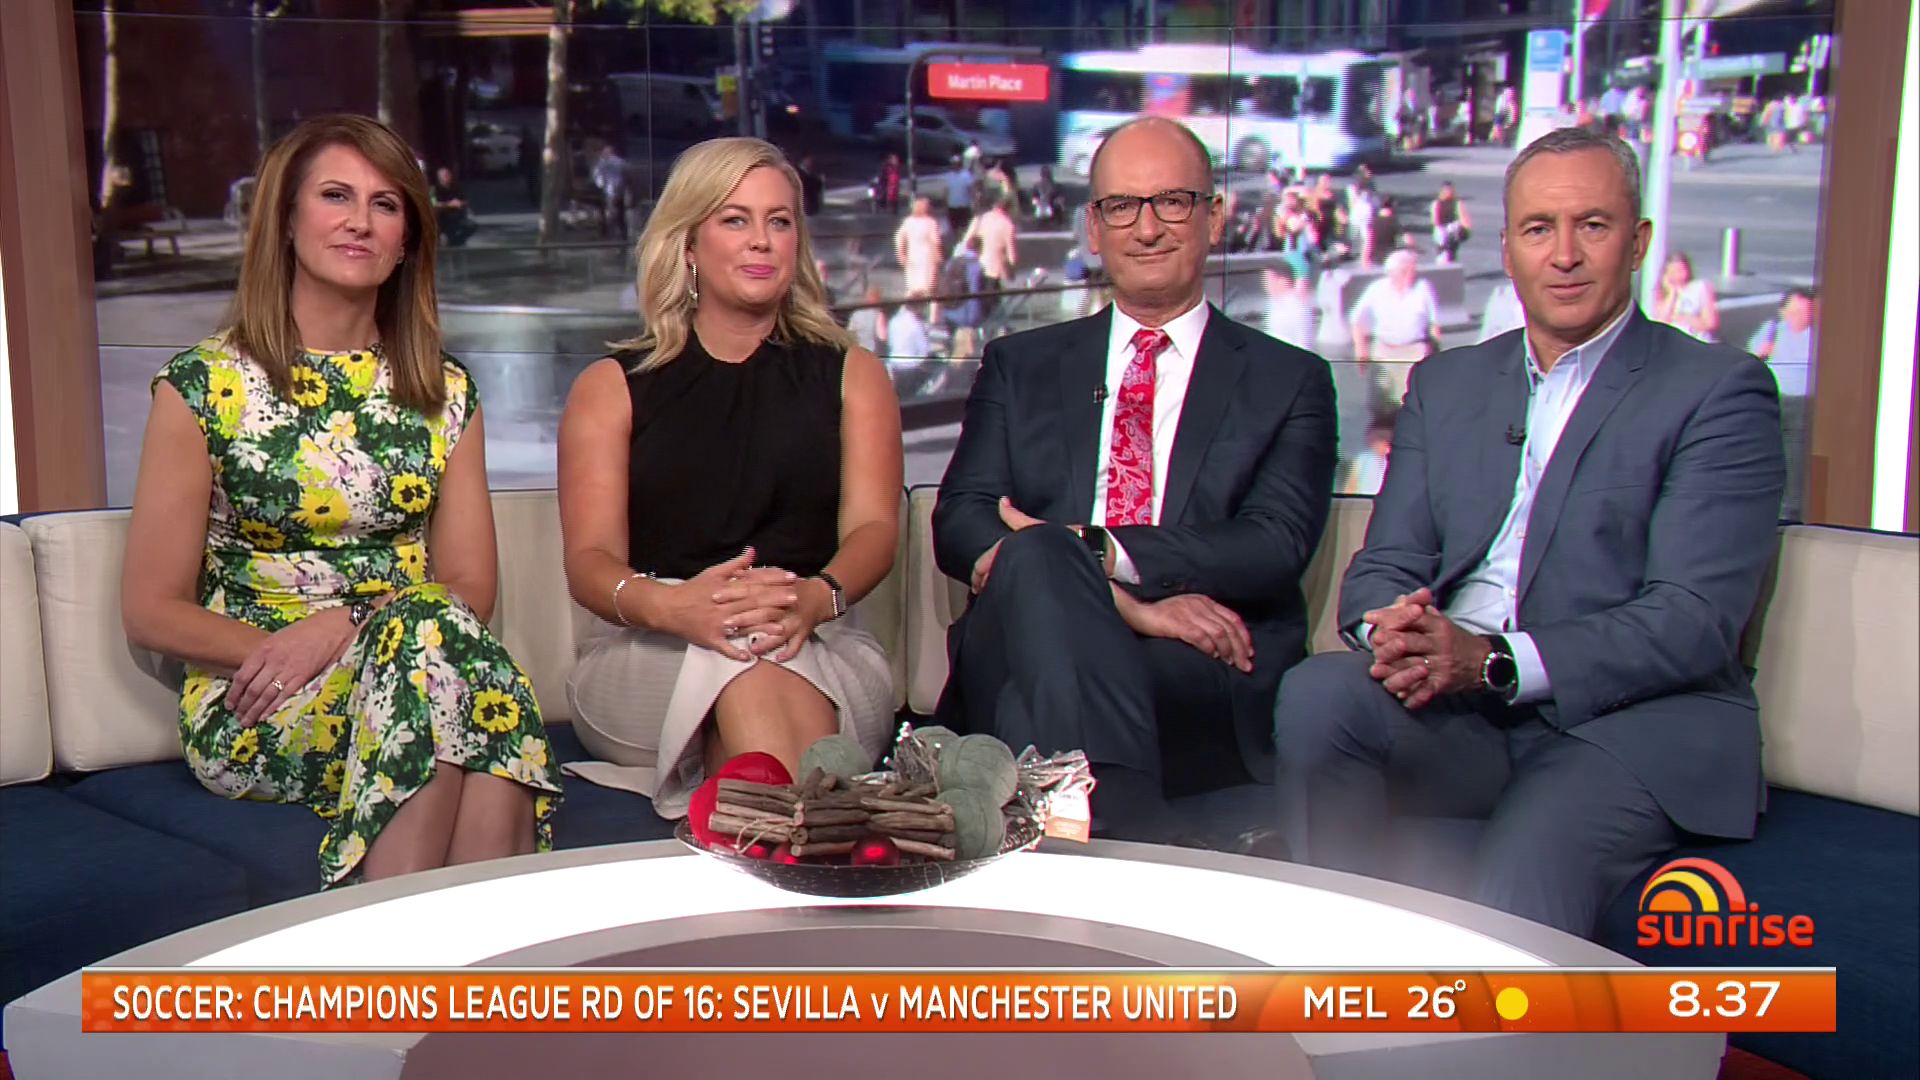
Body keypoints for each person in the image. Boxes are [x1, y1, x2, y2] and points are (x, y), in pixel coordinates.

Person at [1273, 127, 1785, 937]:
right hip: (1463, 714)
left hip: (1628, 728)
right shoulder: (1449, 384)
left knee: (1518, 872)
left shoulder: (1718, 389)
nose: (1565, 255)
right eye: (1540, 228)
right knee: (1318, 695)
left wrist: (1493, 659)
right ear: (1508, 250)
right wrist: (1393, 631)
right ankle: (1334, 968)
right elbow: (1384, 567)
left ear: (1638, 242)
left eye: (1593, 225)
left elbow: (1692, 620)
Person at [120, 114, 560, 888]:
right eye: (335, 196)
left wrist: (347, 627)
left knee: (439, 652)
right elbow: (152, 610)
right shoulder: (203, 385)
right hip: (263, 695)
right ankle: (466, 953)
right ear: (286, 222)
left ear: (406, 241)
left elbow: (471, 587)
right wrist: (303, 648)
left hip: (420, 663)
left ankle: (406, 949)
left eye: (385, 204)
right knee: (468, 689)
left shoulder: (444, 391)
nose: (360, 220)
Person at [932, 117, 1338, 840]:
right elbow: (961, 519)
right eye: (1122, 206)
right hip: (1038, 630)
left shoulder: (1289, 379)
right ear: (1094, 228)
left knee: (1032, 690)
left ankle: (1081, 838)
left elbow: (1272, 544)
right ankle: (1123, 833)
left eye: (1171, 202)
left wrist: (1099, 550)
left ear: (1215, 217)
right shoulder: (1020, 365)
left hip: (1194, 663)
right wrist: (1122, 600)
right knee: (1042, 556)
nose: (1146, 228)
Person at [556, 137, 902, 817]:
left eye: (780, 221)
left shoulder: (853, 375)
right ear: (688, 243)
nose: (761, 240)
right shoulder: (612, 388)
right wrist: (680, 609)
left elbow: (874, 529)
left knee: (758, 649)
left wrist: (813, 598)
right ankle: (806, 833)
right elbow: (590, 564)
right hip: (652, 646)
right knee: (740, 651)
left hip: (819, 635)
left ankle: (751, 822)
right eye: (735, 220)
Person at [1747, 286, 1818, 521]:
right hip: (1773, 400)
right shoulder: (1772, 330)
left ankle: (1790, 509)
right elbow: (1749, 360)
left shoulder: (1816, 337)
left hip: (1801, 402)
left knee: (1794, 456)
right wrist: (1762, 352)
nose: (1800, 318)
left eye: (1806, 312)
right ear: (1784, 312)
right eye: (1795, 312)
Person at [1350, 249, 1441, 417]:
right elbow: (1357, 320)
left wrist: (1436, 356)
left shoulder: (1423, 288)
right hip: (1385, 350)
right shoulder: (1377, 289)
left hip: (1414, 351)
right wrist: (1360, 349)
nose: (1411, 274)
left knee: (1412, 405)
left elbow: (1434, 325)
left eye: (1412, 270)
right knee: (1381, 405)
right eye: (1406, 271)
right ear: (1393, 273)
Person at [894, 197, 944, 321]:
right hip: (927, 260)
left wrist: (902, 254)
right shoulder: (930, 223)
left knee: (912, 289)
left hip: (912, 259)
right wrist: (938, 259)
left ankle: (904, 315)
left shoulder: (908, 222)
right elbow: (935, 242)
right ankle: (933, 319)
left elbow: (899, 238)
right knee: (931, 291)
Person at [1653, 252, 1718, 342]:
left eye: (1680, 271)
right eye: (1672, 272)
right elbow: (1661, 322)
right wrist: (1672, 293)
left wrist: (1685, 319)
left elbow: (1710, 323)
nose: (1677, 276)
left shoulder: (1700, 287)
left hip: (1696, 339)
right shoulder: (1663, 293)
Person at [1261, 262, 1317, 351]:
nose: (1266, 285)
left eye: (1269, 280)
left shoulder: (1298, 309)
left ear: (1283, 281)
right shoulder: (1273, 304)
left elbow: (1304, 345)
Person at [1340, 410, 1395, 496]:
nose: (1382, 443)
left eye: (1386, 438)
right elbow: (1351, 487)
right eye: (1378, 438)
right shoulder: (1362, 459)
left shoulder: (1399, 461)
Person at [592, 144, 632, 241]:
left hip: (611, 192)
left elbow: (598, 178)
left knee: (613, 213)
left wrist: (601, 186)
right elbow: (627, 173)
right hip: (617, 192)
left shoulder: (603, 163)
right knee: (618, 213)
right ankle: (621, 234)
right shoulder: (618, 162)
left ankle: (614, 234)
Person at [430, 164, 476, 247]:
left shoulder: (455, 188)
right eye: (444, 175)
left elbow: (465, 200)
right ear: (439, 177)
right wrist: (449, 204)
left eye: (448, 174)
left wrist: (460, 203)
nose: (447, 177)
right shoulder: (434, 190)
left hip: (457, 215)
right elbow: (433, 204)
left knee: (471, 226)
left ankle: (457, 241)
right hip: (442, 216)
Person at [1430, 181, 1471, 264]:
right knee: (1443, 251)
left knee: (1452, 251)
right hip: (1441, 230)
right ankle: (1443, 263)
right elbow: (1435, 220)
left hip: (1453, 230)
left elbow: (1463, 218)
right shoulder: (1436, 204)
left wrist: (1465, 230)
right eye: (1446, 190)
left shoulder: (1457, 203)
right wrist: (1442, 231)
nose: (1448, 192)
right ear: (1442, 191)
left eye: (1450, 190)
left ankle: (1450, 264)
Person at [846, 285, 888, 356]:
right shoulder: (879, 315)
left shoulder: (856, 314)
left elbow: (849, 334)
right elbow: (883, 337)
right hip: (873, 353)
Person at [940, 157, 976, 236]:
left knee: (965, 228)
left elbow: (971, 190)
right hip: (952, 206)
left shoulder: (966, 175)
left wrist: (973, 202)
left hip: (964, 205)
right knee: (954, 228)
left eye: (957, 164)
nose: (955, 165)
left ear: (960, 164)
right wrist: (945, 205)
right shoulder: (948, 176)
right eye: (953, 164)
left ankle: (963, 241)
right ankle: (956, 241)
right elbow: (946, 192)